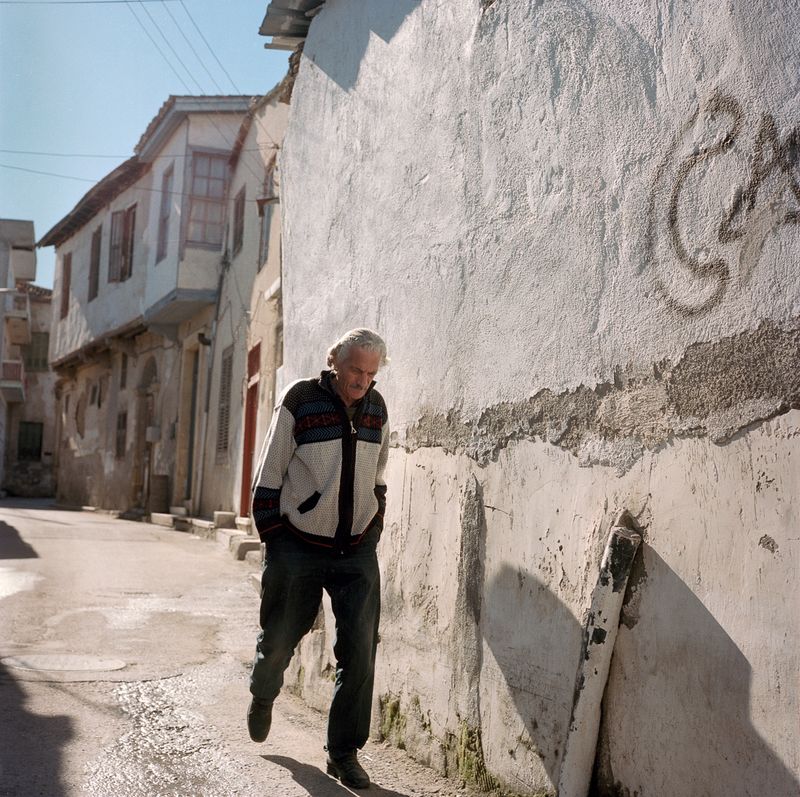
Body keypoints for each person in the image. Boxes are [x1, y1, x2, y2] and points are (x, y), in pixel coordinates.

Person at [247, 328, 390, 790]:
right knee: (280, 639)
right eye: (355, 370)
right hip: (298, 543)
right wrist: (275, 538)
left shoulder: (377, 408)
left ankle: (343, 753)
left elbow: (378, 476)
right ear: (334, 361)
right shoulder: (300, 399)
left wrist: (373, 524)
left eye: (370, 373)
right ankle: (264, 690)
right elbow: (269, 472)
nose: (362, 381)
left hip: (355, 549)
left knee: (361, 654)